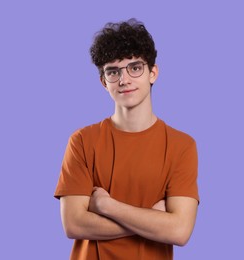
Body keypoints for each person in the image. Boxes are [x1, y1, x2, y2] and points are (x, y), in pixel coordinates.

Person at [54, 18, 199, 260]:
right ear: (104, 82)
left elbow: (180, 231)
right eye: (113, 71)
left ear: (152, 73)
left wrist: (107, 207)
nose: (124, 79)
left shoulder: (182, 145)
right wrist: (154, 220)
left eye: (134, 67)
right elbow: (73, 224)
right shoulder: (81, 141)